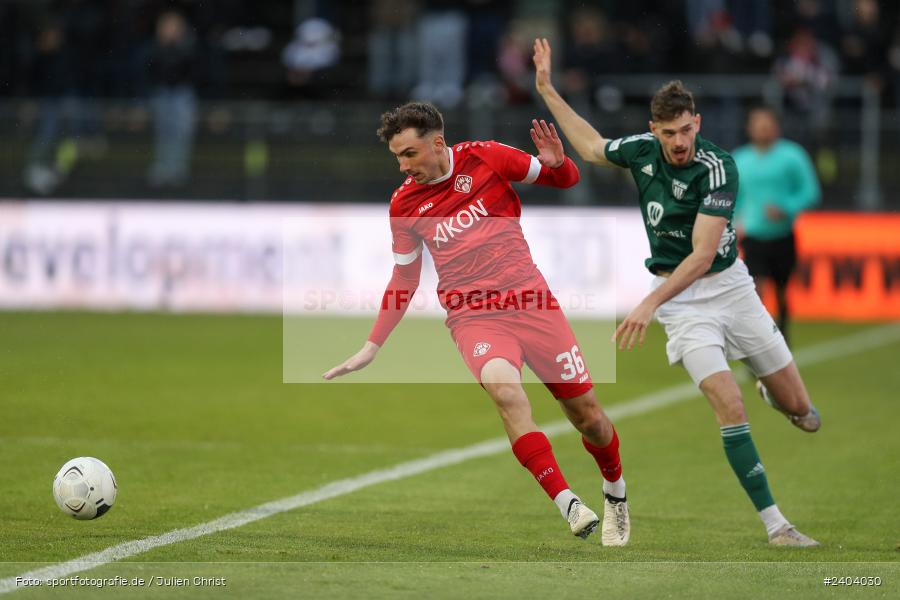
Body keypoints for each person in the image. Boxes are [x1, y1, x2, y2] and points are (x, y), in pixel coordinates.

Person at [532, 38, 821, 547]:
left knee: (805, 415)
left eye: (686, 129)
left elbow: (704, 255)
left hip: (731, 289)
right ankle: (777, 525)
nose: (679, 141)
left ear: (697, 123)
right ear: (654, 130)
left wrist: (648, 303)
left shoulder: (718, 166)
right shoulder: (642, 152)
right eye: (669, 132)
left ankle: (778, 396)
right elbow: (593, 147)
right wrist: (547, 89)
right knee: (728, 406)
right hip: (684, 307)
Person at [323, 101, 630, 545]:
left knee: (589, 418)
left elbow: (566, 180)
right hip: (474, 317)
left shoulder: (487, 157)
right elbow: (405, 277)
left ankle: (615, 491)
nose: (403, 166)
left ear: (438, 143)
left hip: (532, 303)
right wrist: (373, 345)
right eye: (397, 157)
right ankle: (567, 502)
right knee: (506, 393)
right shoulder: (405, 203)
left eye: (409, 154)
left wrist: (558, 164)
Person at [733, 106, 821, 347]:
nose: (763, 128)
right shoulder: (740, 159)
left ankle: (782, 334)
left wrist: (786, 207)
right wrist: (732, 223)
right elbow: (733, 198)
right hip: (753, 235)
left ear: (776, 126)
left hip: (783, 235)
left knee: (782, 290)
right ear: (749, 128)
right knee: (756, 288)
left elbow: (810, 192)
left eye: (767, 123)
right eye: (758, 123)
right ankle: (760, 341)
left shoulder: (793, 156)